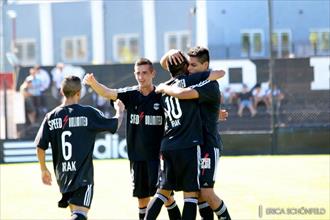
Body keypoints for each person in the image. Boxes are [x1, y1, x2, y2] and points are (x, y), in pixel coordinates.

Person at [82, 58, 181, 220]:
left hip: (157, 157)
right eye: (137, 73)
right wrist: (93, 83)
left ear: (152, 73)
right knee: (142, 199)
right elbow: (108, 93)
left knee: (166, 196)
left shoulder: (162, 96)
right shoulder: (130, 94)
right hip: (136, 156)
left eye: (144, 73)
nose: (141, 77)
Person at [145, 53, 225, 220]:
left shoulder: (164, 87)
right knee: (191, 195)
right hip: (189, 145)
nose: (190, 68)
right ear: (185, 67)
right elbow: (219, 73)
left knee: (162, 192)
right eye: (188, 65)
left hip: (167, 145)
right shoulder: (191, 81)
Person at [35, 75, 124, 220]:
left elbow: (40, 146)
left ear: (62, 92)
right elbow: (114, 125)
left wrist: (43, 169)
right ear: (79, 93)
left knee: (76, 213)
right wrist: (120, 110)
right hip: (82, 177)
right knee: (80, 215)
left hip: (63, 176)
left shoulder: (51, 117)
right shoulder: (88, 113)